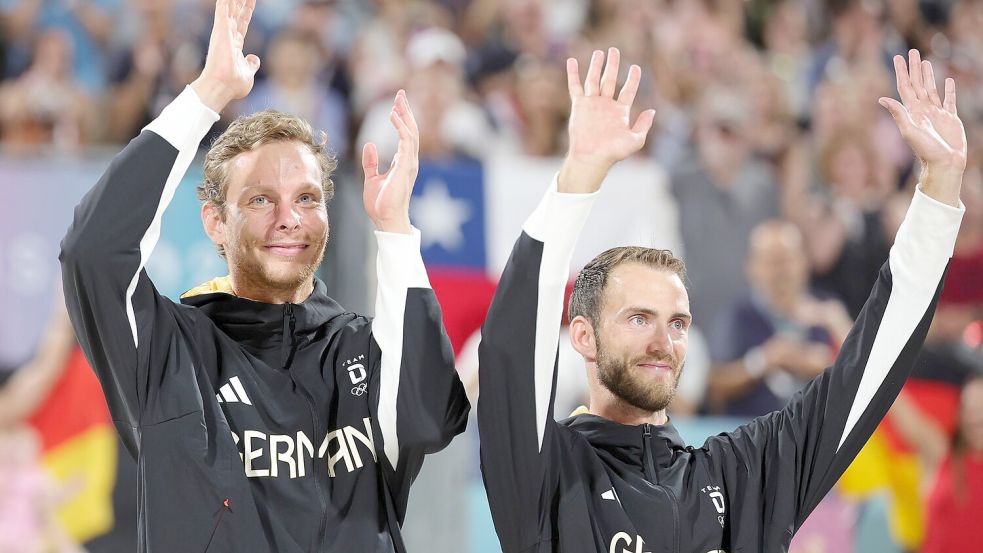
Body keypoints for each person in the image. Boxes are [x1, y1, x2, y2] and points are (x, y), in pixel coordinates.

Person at [477, 47, 965, 552]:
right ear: (584, 335)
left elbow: (866, 372)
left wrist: (939, 188)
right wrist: (578, 176)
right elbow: (511, 347)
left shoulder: (740, 476)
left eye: (678, 323)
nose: (663, 341)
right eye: (639, 318)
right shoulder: (545, 469)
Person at [59, 1, 469, 551]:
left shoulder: (361, 349)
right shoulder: (168, 350)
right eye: (260, 199)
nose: (289, 218)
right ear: (215, 223)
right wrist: (206, 96)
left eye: (306, 197)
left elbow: (431, 416)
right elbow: (93, 251)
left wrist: (395, 230)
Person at [888, 375, 983, 553]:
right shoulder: (942, 455)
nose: (977, 417)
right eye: (970, 410)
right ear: (960, 415)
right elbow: (901, 410)